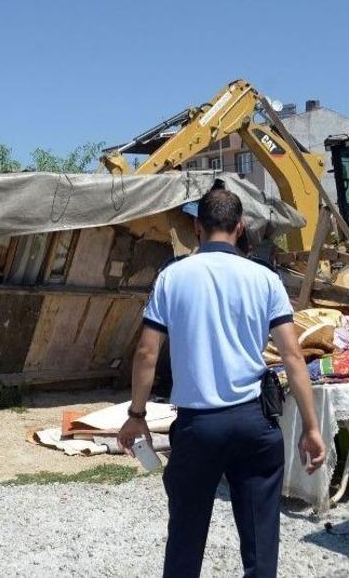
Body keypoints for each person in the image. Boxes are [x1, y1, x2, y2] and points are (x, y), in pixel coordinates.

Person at [118, 188, 326, 578]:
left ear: (197, 227)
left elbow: (146, 353)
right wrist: (311, 428)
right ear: (240, 226)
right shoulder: (264, 279)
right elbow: (293, 356)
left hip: (198, 428)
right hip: (254, 423)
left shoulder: (172, 277)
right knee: (260, 542)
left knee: (185, 535)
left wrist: (137, 414)